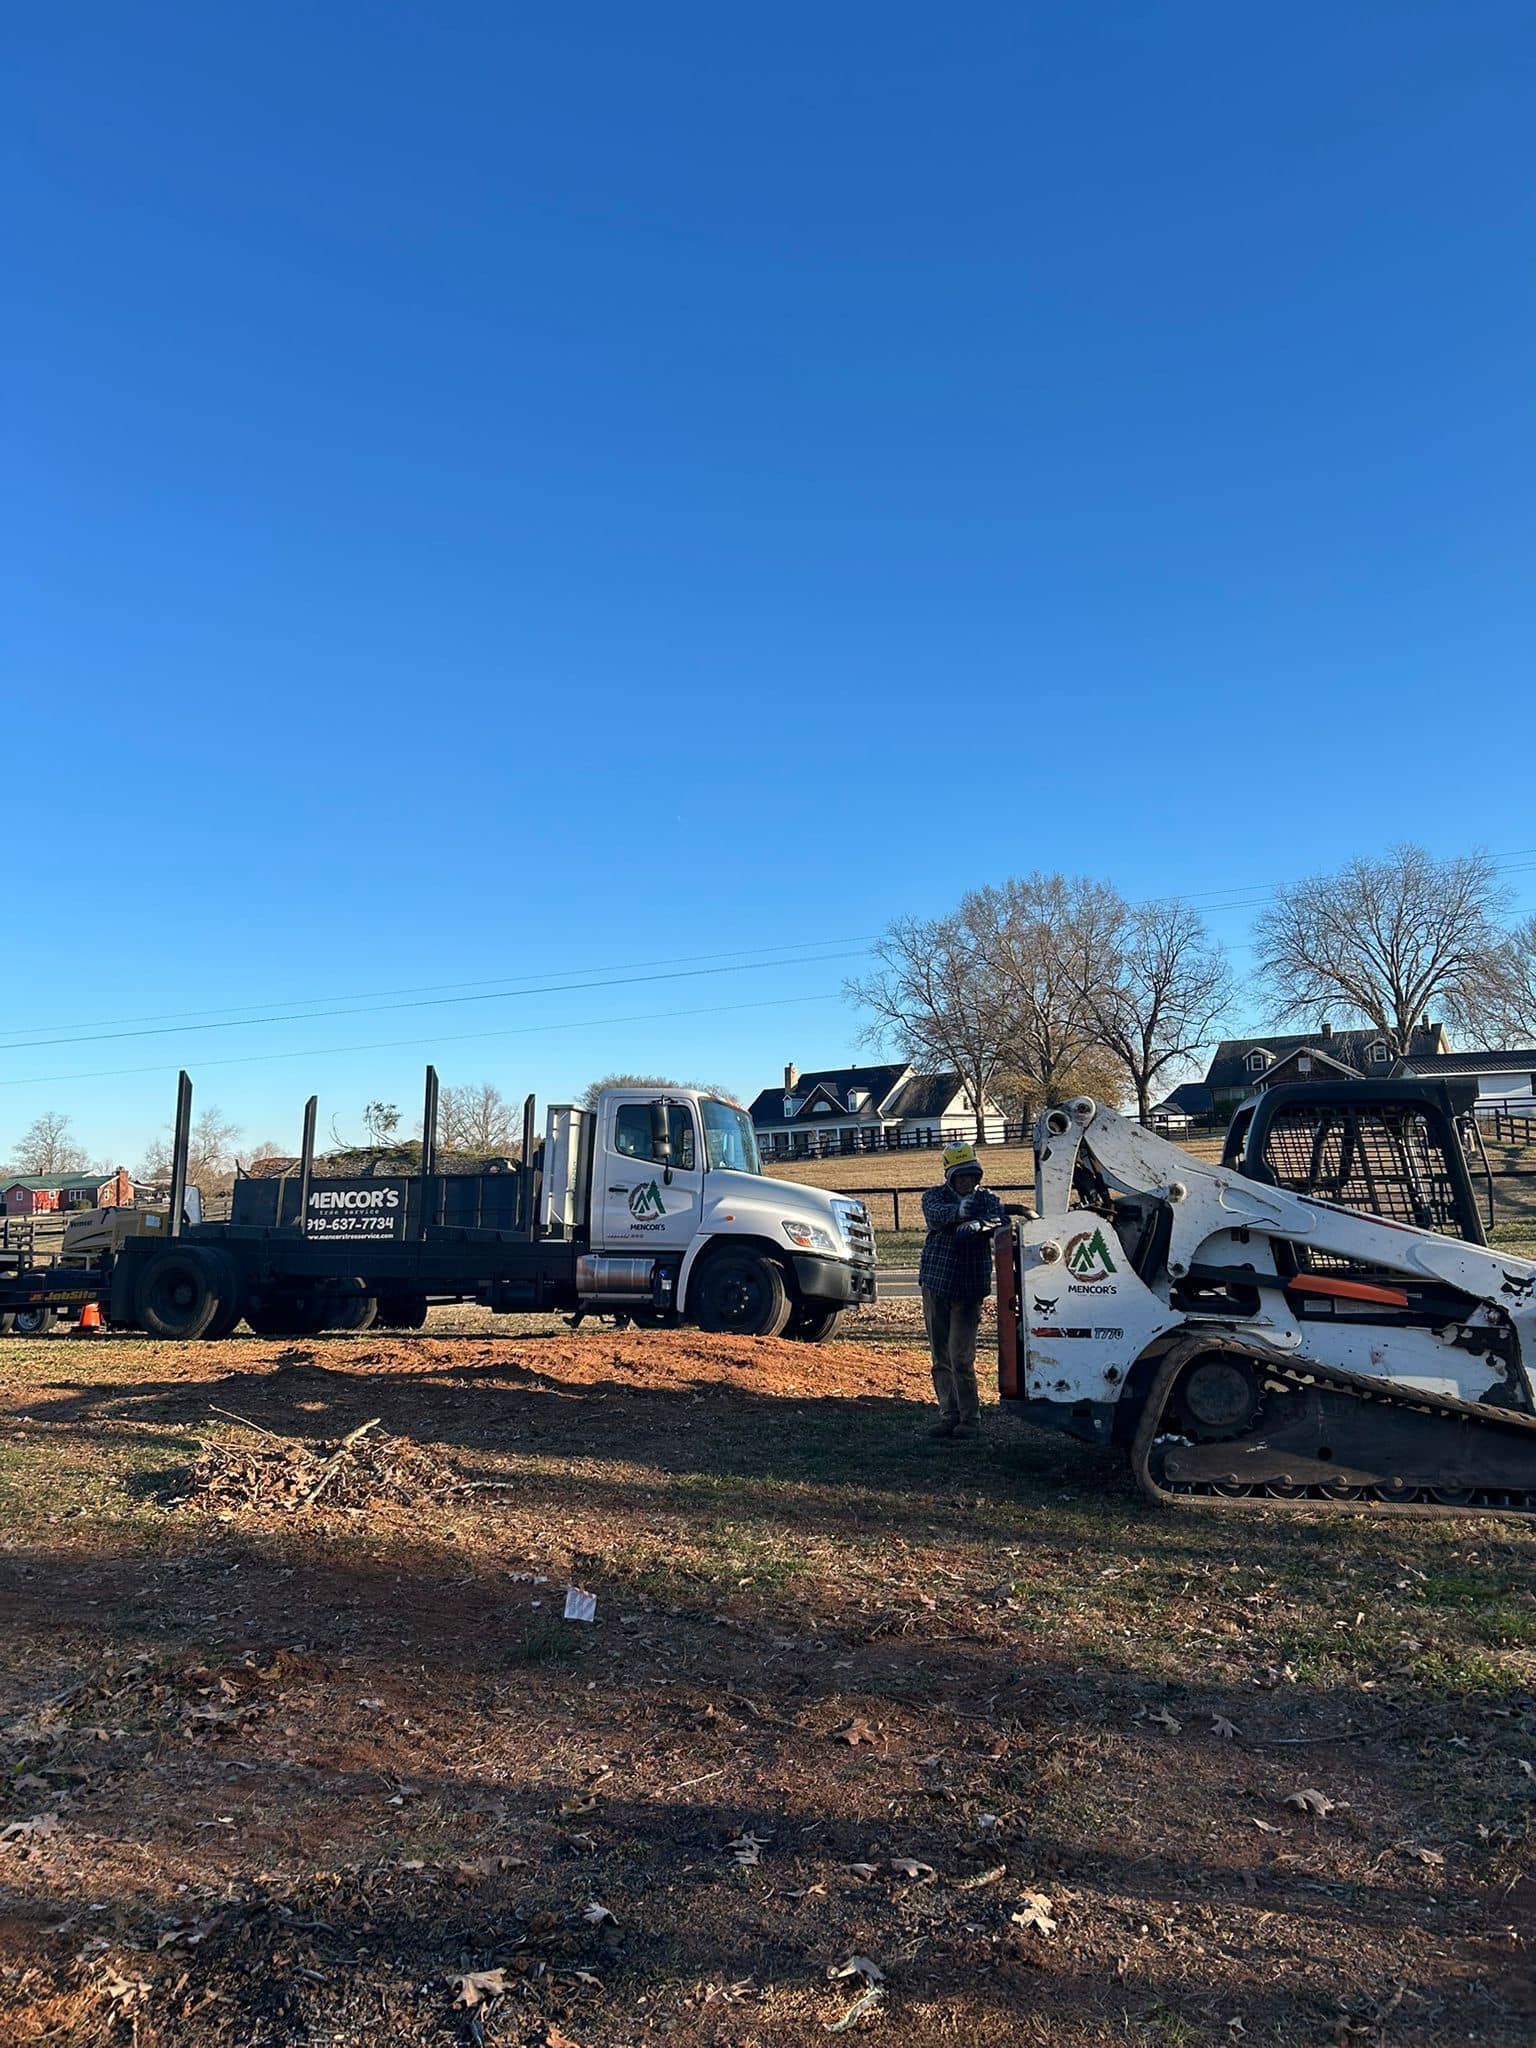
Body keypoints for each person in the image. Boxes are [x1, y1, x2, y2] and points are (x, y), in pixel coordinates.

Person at [919, 1142, 1006, 1439]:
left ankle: (970, 1419)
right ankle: (949, 1414)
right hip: (936, 1283)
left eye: (971, 1174)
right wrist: (961, 1211)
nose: (967, 1181)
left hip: (969, 1288)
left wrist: (983, 1224)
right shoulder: (934, 1196)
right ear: (950, 1176)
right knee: (940, 1356)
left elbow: (1001, 1219)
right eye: (961, 1176)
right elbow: (936, 1215)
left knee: (961, 1356)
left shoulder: (988, 1199)